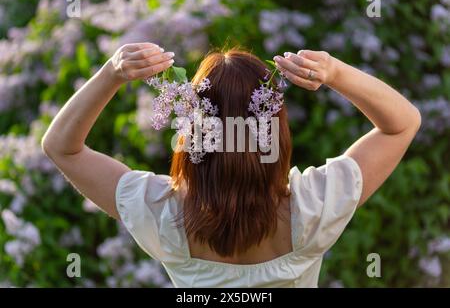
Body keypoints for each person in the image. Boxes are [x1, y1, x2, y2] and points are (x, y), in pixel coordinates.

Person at [41, 43, 421, 287]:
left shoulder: (162, 215)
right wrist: (335, 72)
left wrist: (113, 72)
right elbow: (402, 124)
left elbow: (62, 147)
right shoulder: (312, 210)